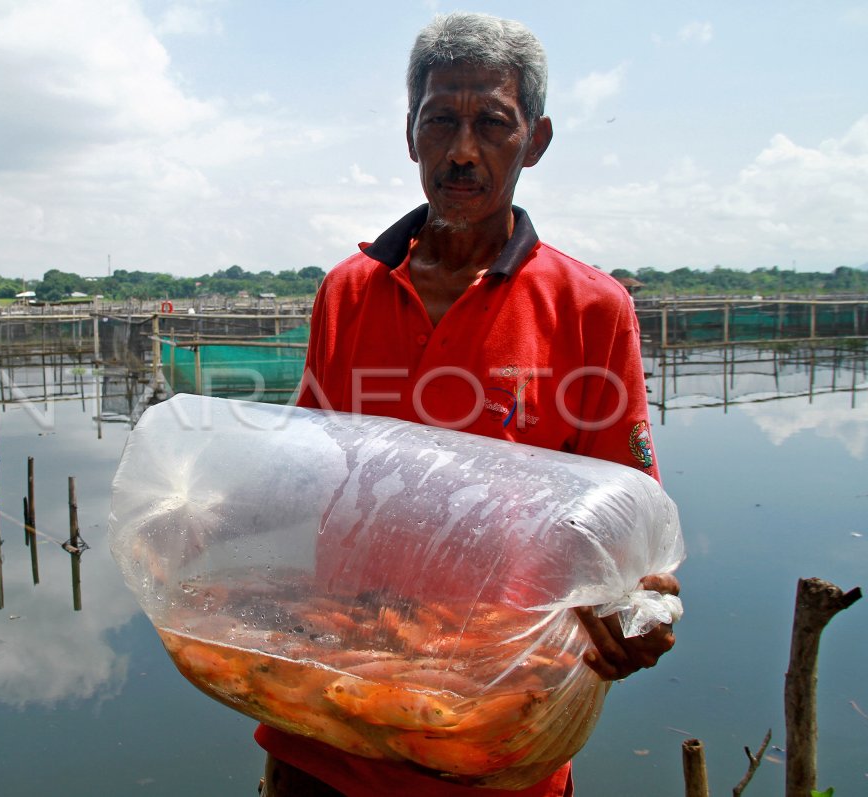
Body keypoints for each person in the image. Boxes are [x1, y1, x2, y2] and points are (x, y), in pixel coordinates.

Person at [256, 12, 680, 797]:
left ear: (537, 141)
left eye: (492, 123)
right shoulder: (348, 290)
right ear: (408, 133)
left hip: (495, 741)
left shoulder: (590, 308)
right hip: (328, 725)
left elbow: (631, 532)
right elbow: (306, 472)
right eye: (440, 121)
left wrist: (638, 610)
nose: (462, 150)